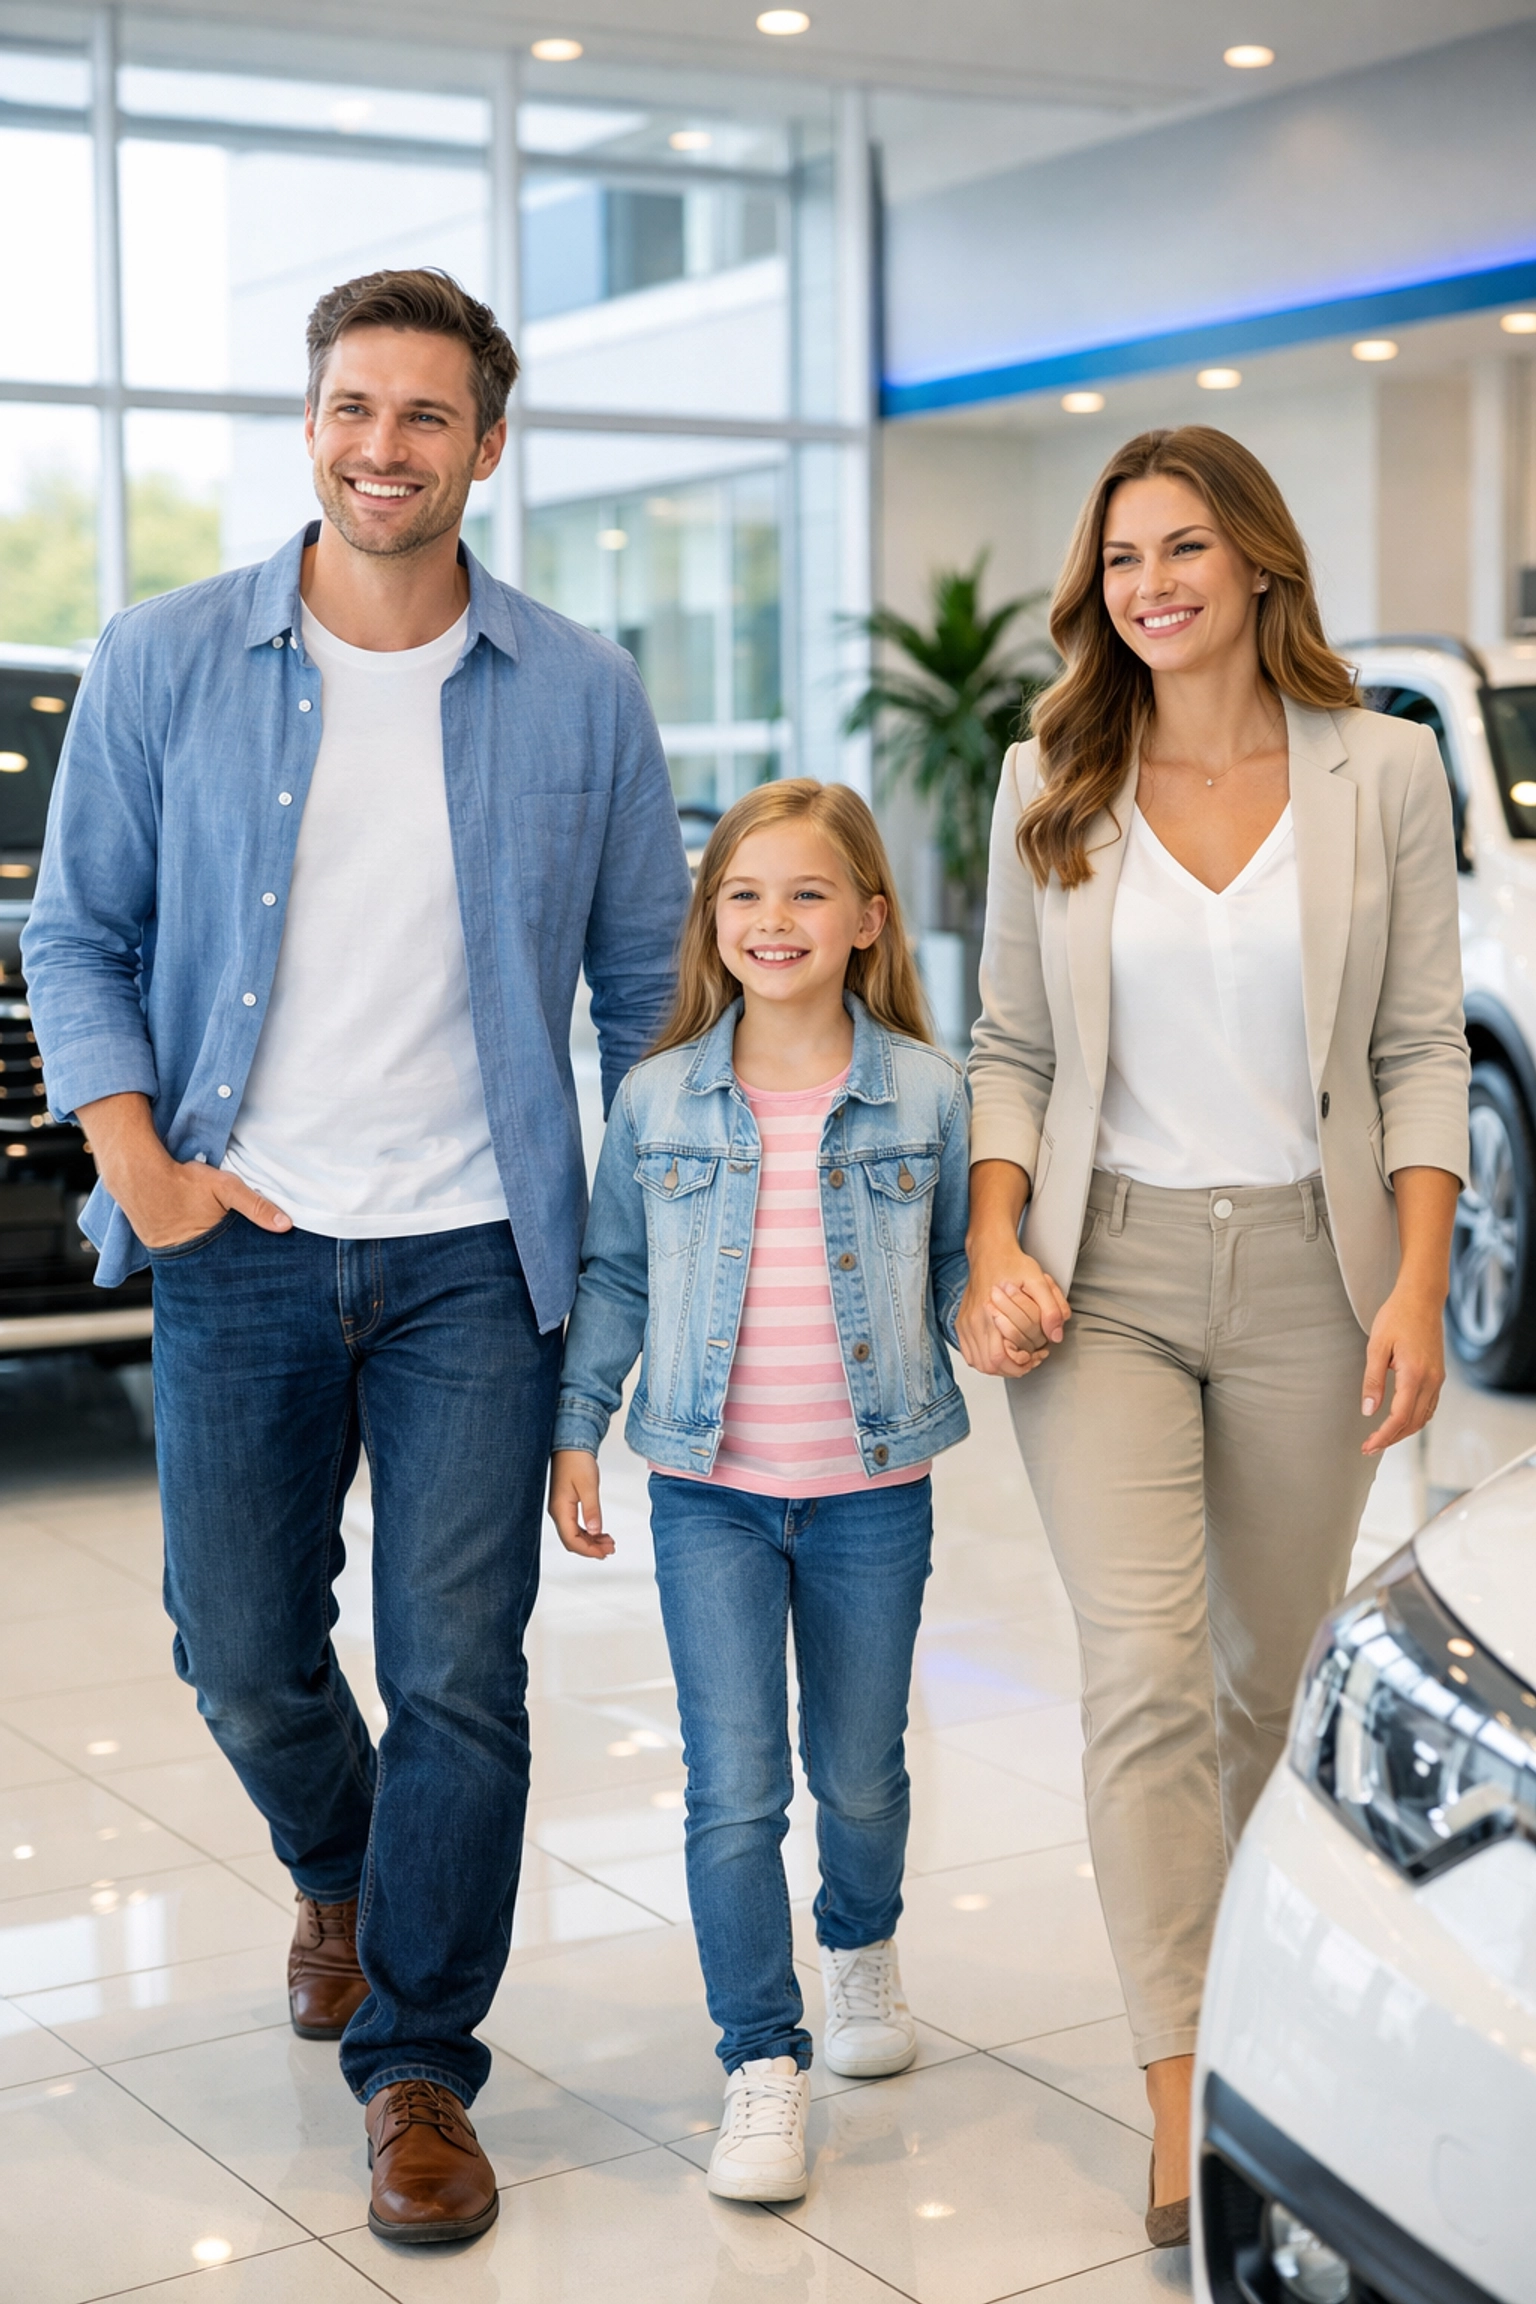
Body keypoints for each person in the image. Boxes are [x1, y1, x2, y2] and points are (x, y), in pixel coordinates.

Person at [22, 268, 691, 2247]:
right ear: (312, 422)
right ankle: (345, 1864)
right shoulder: (165, 658)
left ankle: (418, 2063)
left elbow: (648, 988)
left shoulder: (579, 687)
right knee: (236, 1649)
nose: (381, 446)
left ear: (488, 444)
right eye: (351, 407)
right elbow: (77, 930)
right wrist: (140, 1167)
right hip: (242, 1234)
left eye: (425, 415)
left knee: (461, 1675)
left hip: (481, 1255)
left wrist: (659, 1253)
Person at [959, 427, 1469, 2248]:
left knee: (1268, 1689)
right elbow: (1009, 1046)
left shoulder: (1381, 769)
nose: (1152, 585)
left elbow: (1418, 1044)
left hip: (1317, 1282)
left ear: (1258, 560)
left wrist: (1418, 1284)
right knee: (1147, 1678)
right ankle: (1181, 2091)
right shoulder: (1050, 775)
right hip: (1101, 1280)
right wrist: (993, 1241)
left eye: (1184, 547)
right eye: (1121, 559)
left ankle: (1266, 2024)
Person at [549, 780, 970, 2203]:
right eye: (742, 893)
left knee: (859, 1772)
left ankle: (859, 1946)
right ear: (710, 919)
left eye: (806, 893)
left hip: (871, 1491)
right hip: (707, 1494)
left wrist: (992, 1310)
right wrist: (576, 1427)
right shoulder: (659, 1094)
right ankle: (760, 2060)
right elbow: (615, 1274)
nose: (772, 919)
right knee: (732, 1787)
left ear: (868, 920)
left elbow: (958, 1263)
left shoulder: (927, 1089)